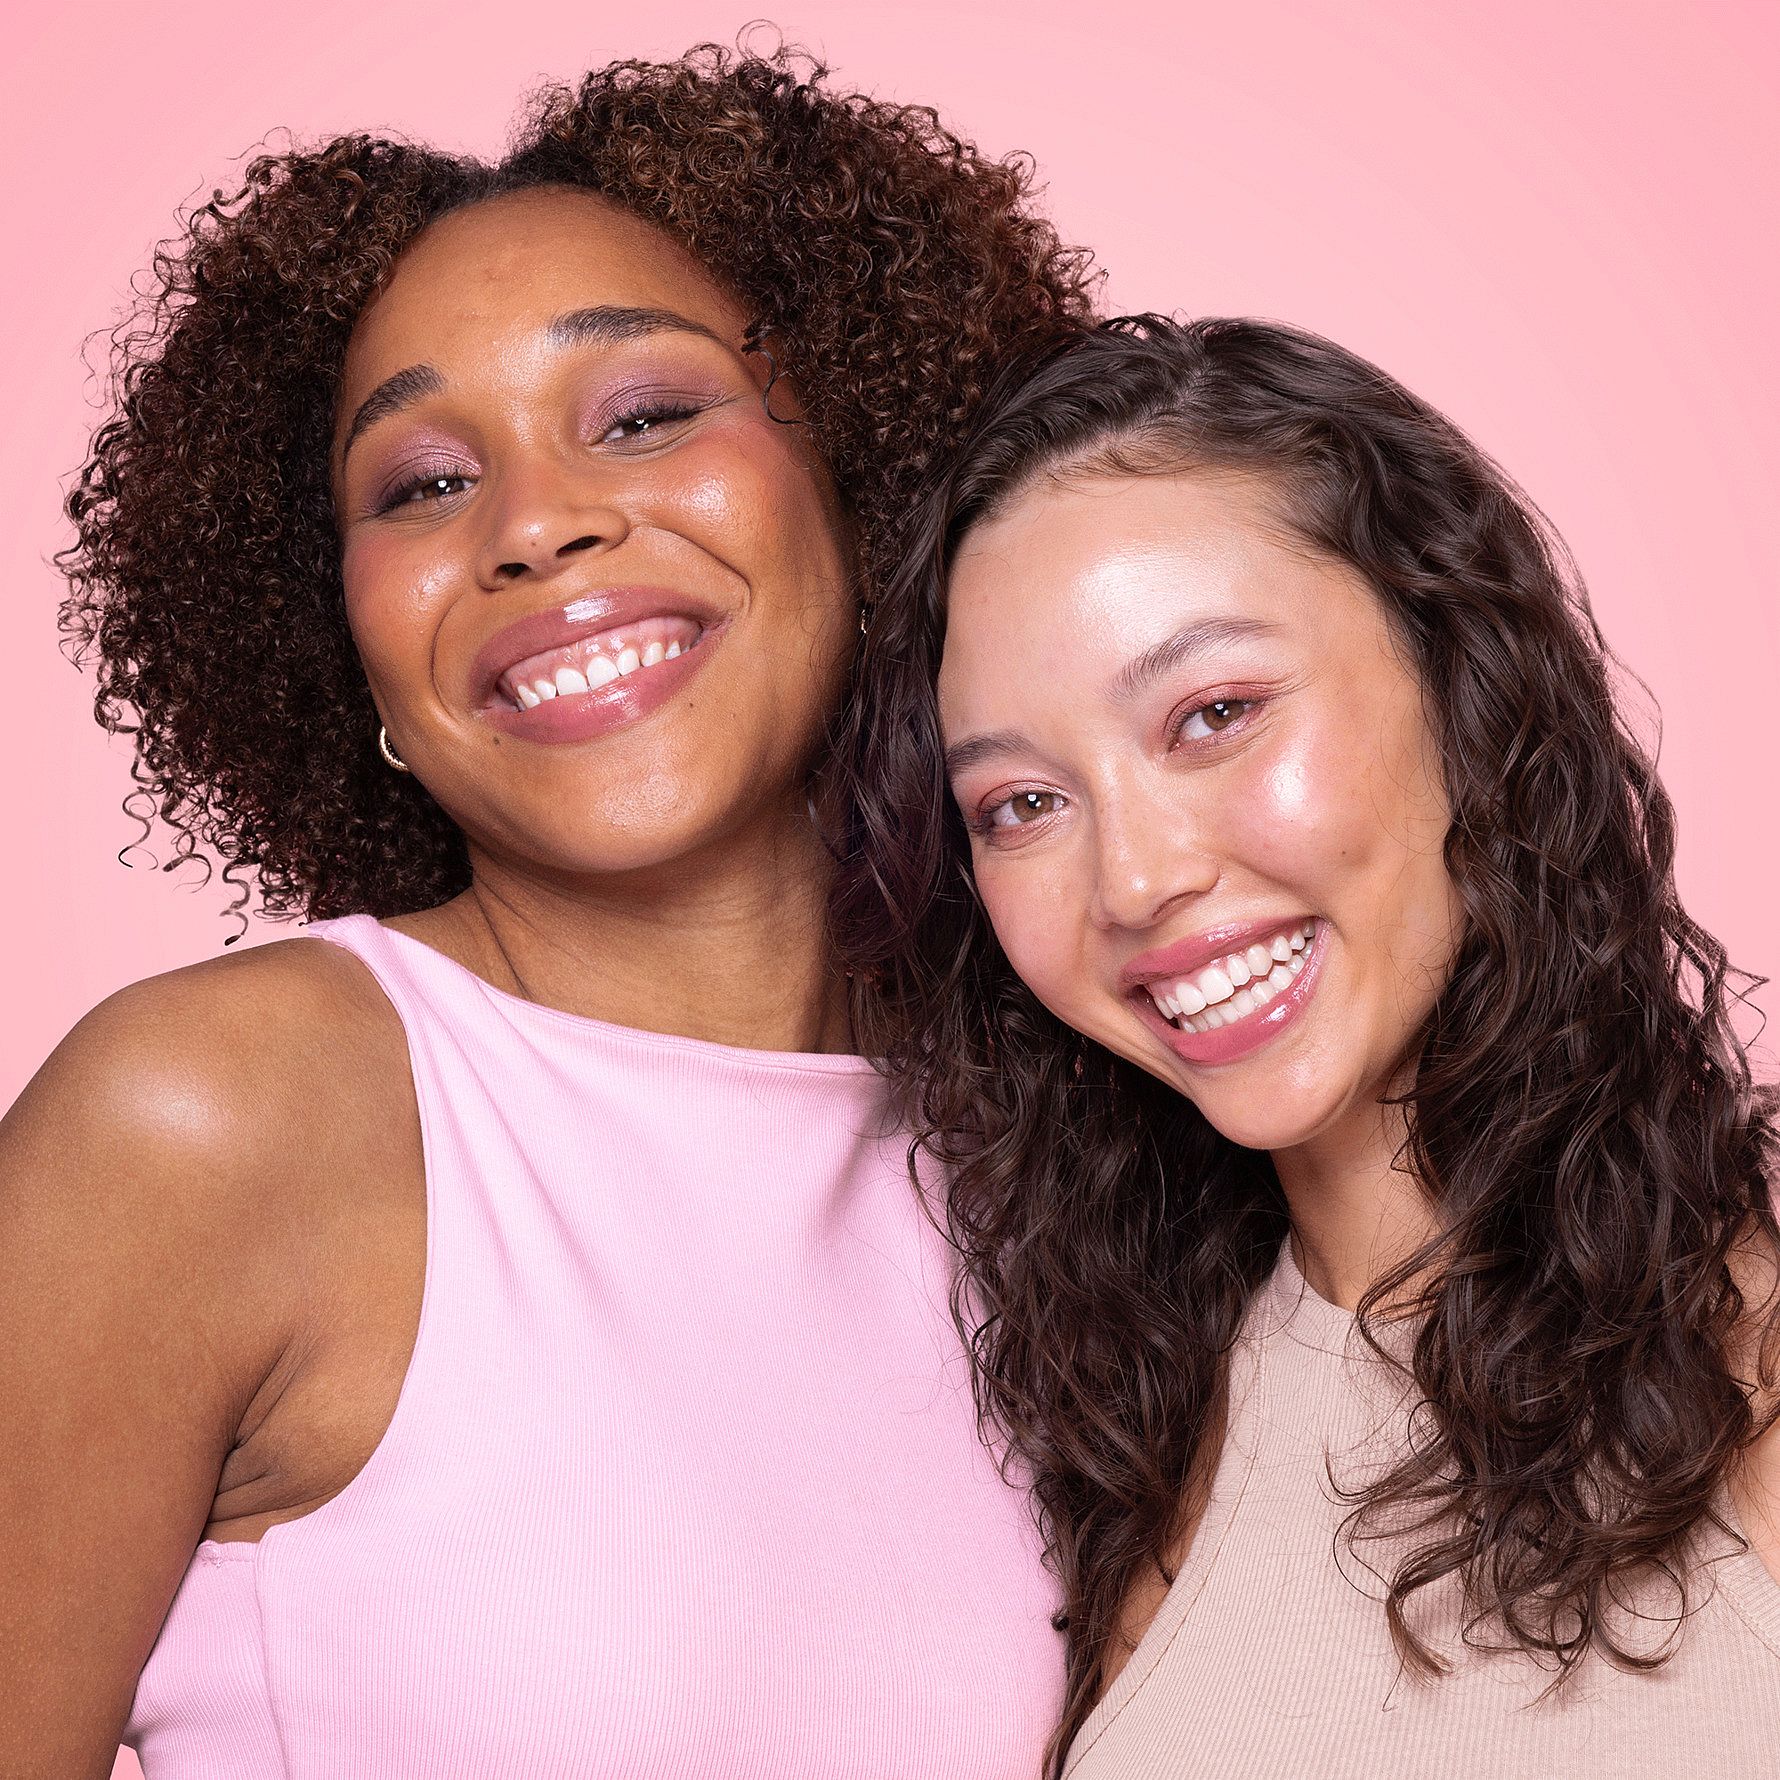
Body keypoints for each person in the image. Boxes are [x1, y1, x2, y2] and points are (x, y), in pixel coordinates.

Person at [0, 45, 1099, 1779]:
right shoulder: (209, 1124)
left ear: (866, 481)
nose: (535, 528)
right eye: (423, 484)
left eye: (646, 415)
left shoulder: (1072, 1146)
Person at [837, 315, 1780, 1778]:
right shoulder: (1140, 1431)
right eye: (1021, 805)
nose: (1134, 879)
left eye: (1214, 715)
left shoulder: (1753, 1366)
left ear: (1462, 682)